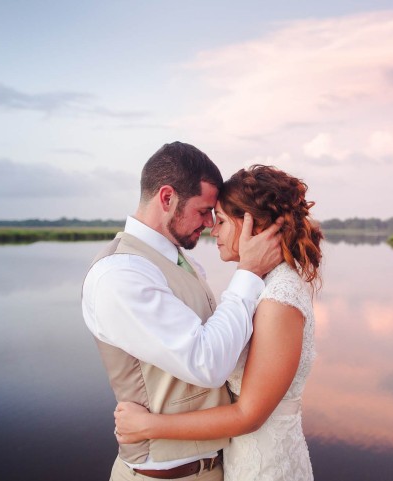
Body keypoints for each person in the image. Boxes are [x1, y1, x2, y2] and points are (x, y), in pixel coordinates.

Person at [82, 142, 284, 481]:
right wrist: (248, 273)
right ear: (166, 198)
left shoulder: (179, 259)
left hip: (214, 466)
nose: (208, 223)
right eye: (204, 210)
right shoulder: (119, 274)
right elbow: (207, 364)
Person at [114, 165, 323, 481]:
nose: (213, 230)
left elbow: (248, 415)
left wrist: (148, 426)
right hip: (243, 456)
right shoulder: (261, 284)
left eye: (222, 221)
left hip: (266, 467)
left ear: (254, 226)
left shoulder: (280, 297)